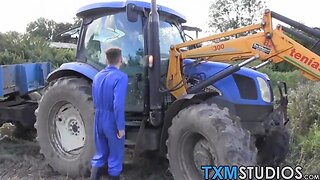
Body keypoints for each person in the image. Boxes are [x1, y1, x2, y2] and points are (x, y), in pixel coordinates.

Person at [90, 47, 128, 180]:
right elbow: (117, 105)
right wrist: (121, 128)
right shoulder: (121, 77)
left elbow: (94, 99)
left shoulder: (97, 76)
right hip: (111, 120)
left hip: (98, 118)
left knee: (100, 155)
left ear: (106, 59)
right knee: (115, 159)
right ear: (121, 59)